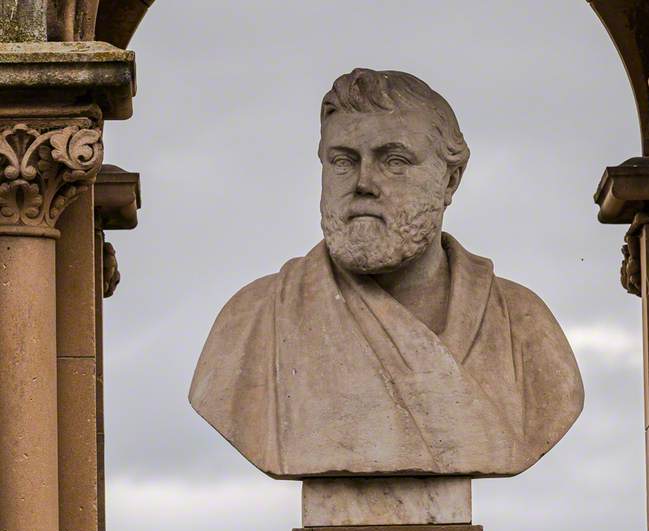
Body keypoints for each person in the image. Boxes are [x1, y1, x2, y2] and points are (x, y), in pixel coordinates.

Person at [190, 68, 583, 479]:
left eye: (394, 161)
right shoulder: (253, 321)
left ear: (450, 180)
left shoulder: (523, 324)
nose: (363, 183)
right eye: (343, 161)